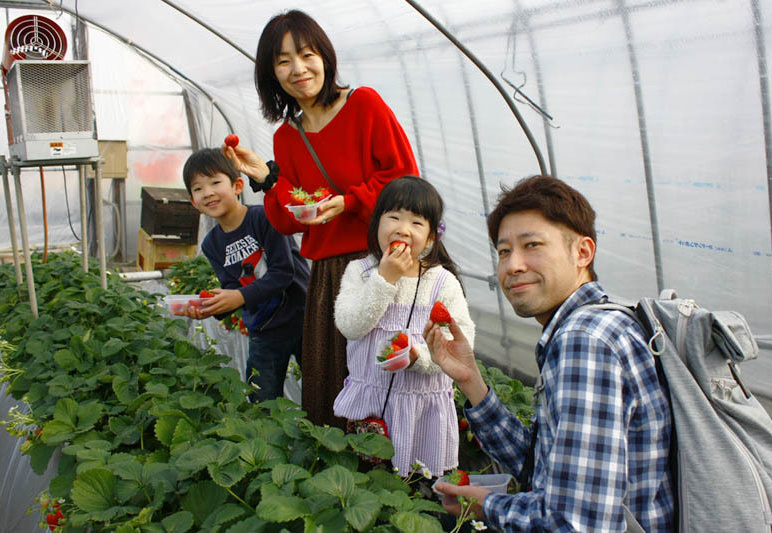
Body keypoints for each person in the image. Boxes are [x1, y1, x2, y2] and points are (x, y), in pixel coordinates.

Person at [425, 176, 675, 532]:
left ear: (583, 253)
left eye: (532, 245)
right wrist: (471, 380)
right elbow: (539, 469)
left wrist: (490, 507)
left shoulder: (586, 342)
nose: (513, 265)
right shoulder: (598, 325)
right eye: (504, 251)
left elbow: (577, 523)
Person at [222, 9, 418, 428]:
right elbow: (289, 220)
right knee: (336, 383)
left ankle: (407, 476)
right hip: (329, 276)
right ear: (271, 74)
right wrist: (267, 178)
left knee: (392, 379)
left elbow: (404, 178)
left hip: (382, 264)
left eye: (306, 54)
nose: (298, 69)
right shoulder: (286, 137)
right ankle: (343, 477)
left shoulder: (364, 104)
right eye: (283, 61)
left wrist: (349, 202)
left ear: (324, 57)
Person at [333, 177, 475, 477]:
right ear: (377, 224)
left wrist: (418, 357)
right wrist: (384, 278)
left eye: (416, 222)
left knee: (421, 487)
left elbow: (460, 339)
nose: (402, 228)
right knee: (370, 485)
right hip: (373, 410)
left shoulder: (441, 281)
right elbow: (350, 326)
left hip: (423, 411)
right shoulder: (360, 272)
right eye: (393, 217)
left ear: (432, 237)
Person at [181, 148, 310, 403]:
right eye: (198, 188)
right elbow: (231, 285)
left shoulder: (263, 217)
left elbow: (283, 272)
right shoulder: (212, 244)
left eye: (216, 182)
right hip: (264, 329)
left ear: (238, 185)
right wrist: (211, 307)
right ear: (193, 201)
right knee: (261, 399)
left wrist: (239, 296)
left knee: (323, 389)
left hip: (301, 318)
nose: (208, 192)